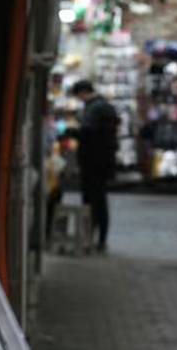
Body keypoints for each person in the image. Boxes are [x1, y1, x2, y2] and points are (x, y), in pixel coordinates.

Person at [71, 80, 119, 251]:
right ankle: (100, 239)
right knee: (100, 200)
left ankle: (89, 238)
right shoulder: (105, 106)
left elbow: (87, 132)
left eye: (79, 96)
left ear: (83, 92)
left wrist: (72, 132)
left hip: (92, 161)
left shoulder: (94, 108)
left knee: (91, 200)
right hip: (104, 161)